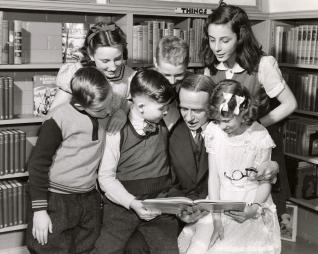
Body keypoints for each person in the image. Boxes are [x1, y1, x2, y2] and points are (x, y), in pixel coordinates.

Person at [201, 2, 297, 215]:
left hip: (258, 144)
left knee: (258, 205)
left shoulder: (263, 65)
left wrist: (254, 125)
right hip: (226, 148)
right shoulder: (211, 67)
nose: (217, 47)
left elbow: (290, 104)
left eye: (225, 40)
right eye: (212, 39)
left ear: (240, 37)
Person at [179, 79, 281, 254]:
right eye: (218, 120)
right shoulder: (214, 132)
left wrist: (254, 209)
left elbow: (265, 181)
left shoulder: (259, 136)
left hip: (250, 203)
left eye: (227, 120)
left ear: (243, 111)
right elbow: (214, 177)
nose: (222, 126)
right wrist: (216, 215)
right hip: (220, 201)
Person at [26, 67, 115, 254]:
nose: (108, 111)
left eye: (110, 103)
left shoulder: (103, 108)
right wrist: (40, 211)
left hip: (88, 197)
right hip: (55, 199)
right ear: (81, 106)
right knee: (48, 247)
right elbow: (37, 165)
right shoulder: (59, 118)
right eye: (101, 109)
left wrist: (120, 112)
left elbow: (119, 106)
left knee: (86, 247)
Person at [94, 69, 179, 254]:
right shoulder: (116, 130)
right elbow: (106, 178)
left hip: (160, 204)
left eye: (167, 107)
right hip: (122, 206)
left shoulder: (165, 118)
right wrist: (132, 202)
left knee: (169, 250)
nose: (166, 112)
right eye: (162, 107)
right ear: (140, 107)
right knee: (106, 250)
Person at [52, 21, 136, 132]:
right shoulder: (75, 73)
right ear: (91, 54)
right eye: (105, 61)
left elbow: (134, 100)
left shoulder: (130, 76)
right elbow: (54, 113)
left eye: (117, 59)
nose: (112, 67)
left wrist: (123, 111)